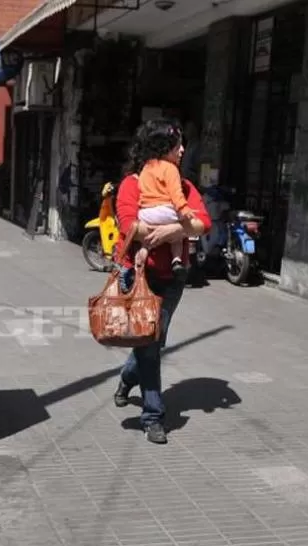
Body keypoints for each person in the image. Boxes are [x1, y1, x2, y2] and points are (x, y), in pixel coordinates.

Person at [113, 121, 212, 445]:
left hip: (173, 278)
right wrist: (178, 227)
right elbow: (129, 224)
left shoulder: (183, 186)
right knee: (150, 344)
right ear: (160, 149)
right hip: (139, 275)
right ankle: (153, 415)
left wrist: (175, 231)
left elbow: (203, 222)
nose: (182, 150)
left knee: (154, 340)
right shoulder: (132, 183)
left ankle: (127, 380)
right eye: (176, 145)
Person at [136, 120, 197, 280]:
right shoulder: (171, 169)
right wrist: (184, 210)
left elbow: (142, 189)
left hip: (145, 213)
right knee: (178, 232)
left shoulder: (146, 167)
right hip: (165, 211)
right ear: (166, 149)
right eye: (178, 147)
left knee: (152, 234)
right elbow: (176, 194)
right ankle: (177, 260)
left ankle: (144, 249)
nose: (182, 150)